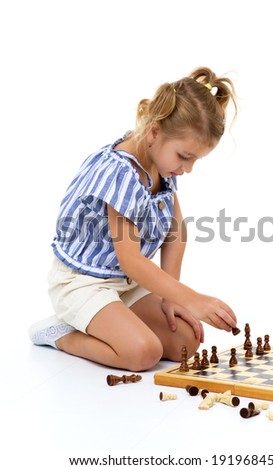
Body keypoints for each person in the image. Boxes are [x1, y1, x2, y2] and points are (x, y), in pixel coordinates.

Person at [28, 67, 238, 371]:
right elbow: (132, 260)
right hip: (83, 282)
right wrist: (192, 298)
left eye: (195, 160)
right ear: (154, 132)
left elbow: (175, 233)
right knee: (143, 353)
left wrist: (173, 298)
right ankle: (61, 334)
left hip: (124, 283)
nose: (188, 169)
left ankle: (115, 323)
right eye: (184, 156)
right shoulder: (120, 172)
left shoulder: (161, 162)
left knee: (185, 342)